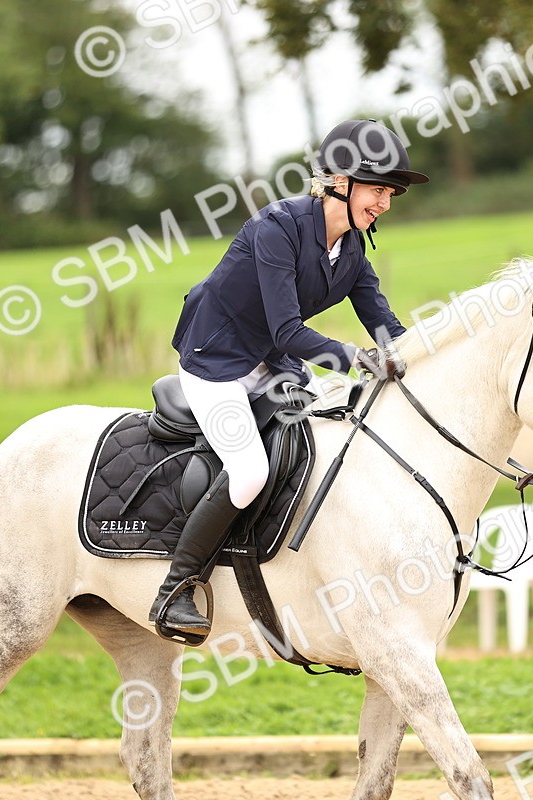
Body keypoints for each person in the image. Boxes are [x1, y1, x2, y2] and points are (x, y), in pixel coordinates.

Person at [149, 119, 429, 642]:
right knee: (251, 469)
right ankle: (177, 586)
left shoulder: (351, 251)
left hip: (276, 364)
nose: (385, 203)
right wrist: (354, 358)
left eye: (390, 193)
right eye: (377, 190)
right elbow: (286, 327)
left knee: (326, 439)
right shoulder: (276, 228)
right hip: (219, 362)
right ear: (339, 183)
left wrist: (418, 355)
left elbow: (384, 321)